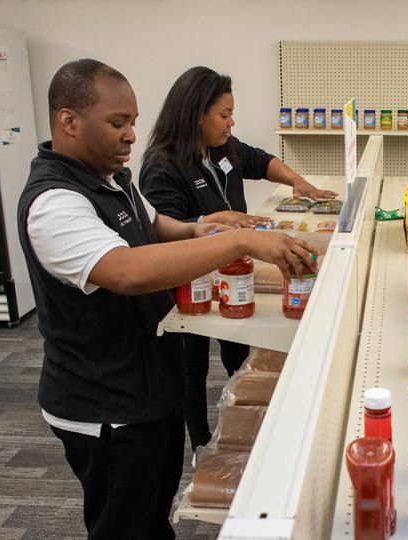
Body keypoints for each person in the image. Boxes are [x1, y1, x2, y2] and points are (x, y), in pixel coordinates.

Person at [18, 59, 316, 539]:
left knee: (153, 513)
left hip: (149, 384)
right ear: (69, 121)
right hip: (106, 407)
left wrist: (200, 227)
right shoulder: (55, 201)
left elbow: (154, 225)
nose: (132, 135)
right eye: (118, 123)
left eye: (133, 122)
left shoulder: (112, 178)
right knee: (124, 523)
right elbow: (126, 270)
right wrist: (236, 243)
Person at [139, 66, 336, 452]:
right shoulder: (163, 165)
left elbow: (259, 161)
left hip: (235, 271)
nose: (232, 122)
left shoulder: (221, 147)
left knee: (238, 345)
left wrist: (300, 183)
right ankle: (199, 440)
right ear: (197, 114)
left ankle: (243, 413)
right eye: (224, 115)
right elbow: (165, 231)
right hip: (192, 279)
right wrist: (205, 221)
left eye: (232, 114)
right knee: (192, 365)